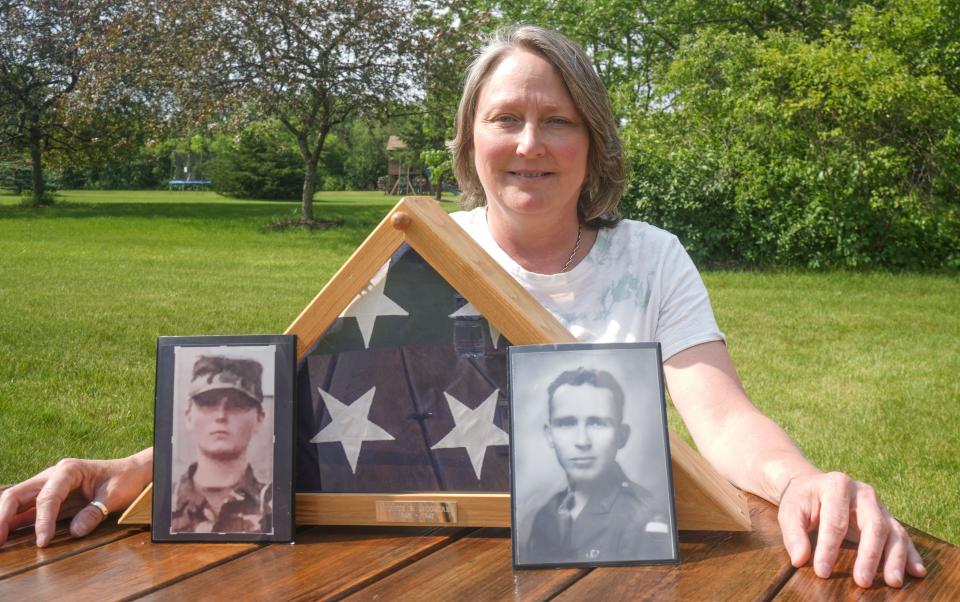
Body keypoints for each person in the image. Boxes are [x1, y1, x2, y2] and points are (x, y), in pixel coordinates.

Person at [0, 25, 924, 590]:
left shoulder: (651, 258)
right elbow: (292, 402)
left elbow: (721, 418)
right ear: (469, 140)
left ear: (593, 141)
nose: (530, 143)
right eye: (505, 118)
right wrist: (131, 470)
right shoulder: (417, 258)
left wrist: (803, 481)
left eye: (557, 119)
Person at [524, 367, 672, 564]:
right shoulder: (546, 515)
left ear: (622, 435)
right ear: (549, 434)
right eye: (566, 423)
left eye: (597, 423)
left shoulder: (644, 519)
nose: (582, 441)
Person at [169, 355, 272, 534]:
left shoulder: (275, 505)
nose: (221, 415)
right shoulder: (161, 502)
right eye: (208, 403)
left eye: (237, 405)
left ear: (259, 418)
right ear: (188, 416)